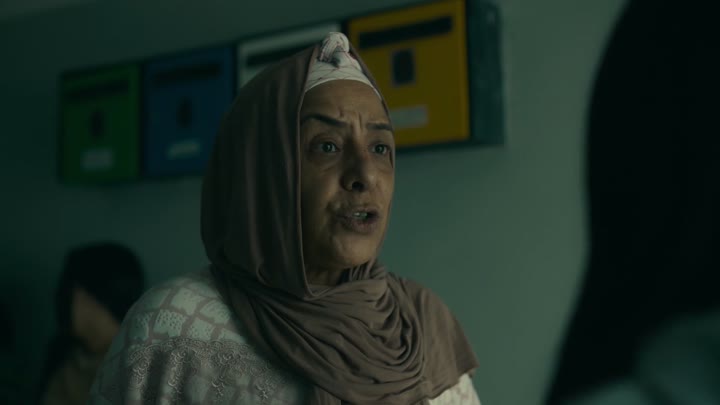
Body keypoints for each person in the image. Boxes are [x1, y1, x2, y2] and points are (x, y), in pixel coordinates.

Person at [89, 32, 481, 404]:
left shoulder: (421, 321)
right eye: (327, 146)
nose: (365, 175)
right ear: (264, 171)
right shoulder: (173, 327)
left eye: (380, 148)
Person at [39, 242, 145, 405]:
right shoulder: (63, 356)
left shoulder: (138, 369)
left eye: (70, 292)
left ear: (90, 298)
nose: (62, 301)